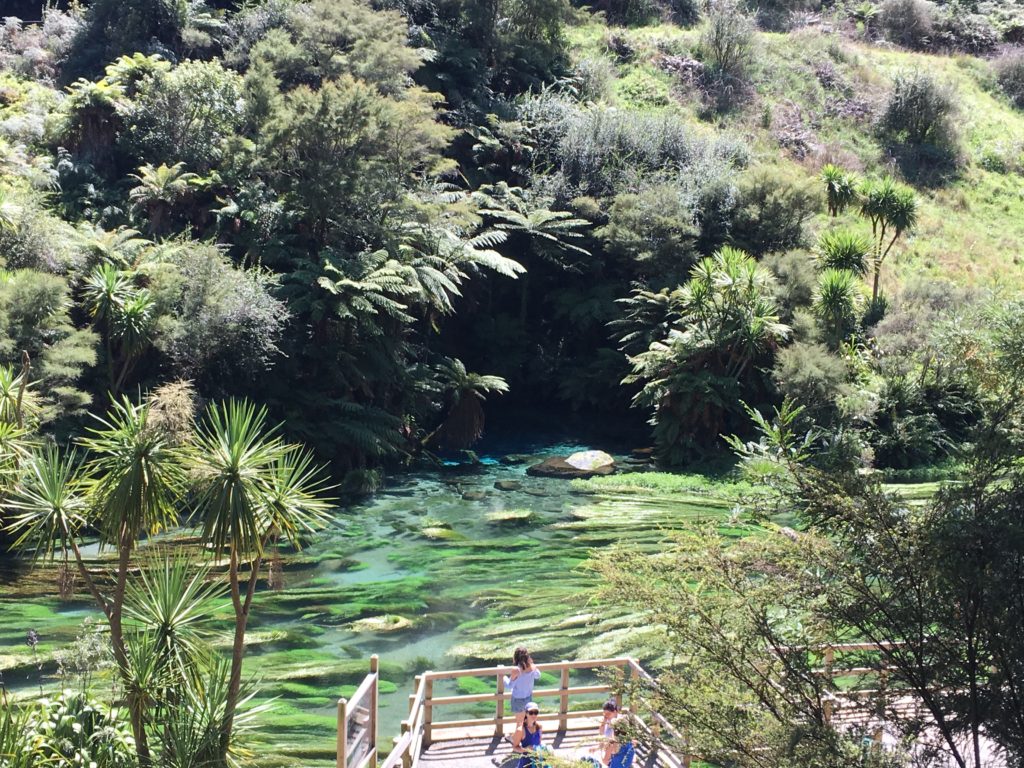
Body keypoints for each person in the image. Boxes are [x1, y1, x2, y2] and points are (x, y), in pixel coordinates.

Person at [504, 646, 541, 730]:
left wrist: (503, 678)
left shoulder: (516, 670)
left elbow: (509, 686)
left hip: (517, 699)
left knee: (519, 723)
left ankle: (517, 740)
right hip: (528, 697)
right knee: (527, 722)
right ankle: (525, 739)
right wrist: (532, 663)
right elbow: (538, 675)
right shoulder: (532, 667)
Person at [510, 702, 544, 768]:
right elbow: (515, 747)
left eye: (536, 712)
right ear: (526, 713)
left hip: (538, 761)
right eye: (531, 712)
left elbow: (539, 743)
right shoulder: (521, 730)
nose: (533, 715)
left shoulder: (539, 727)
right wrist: (526, 749)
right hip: (526, 763)